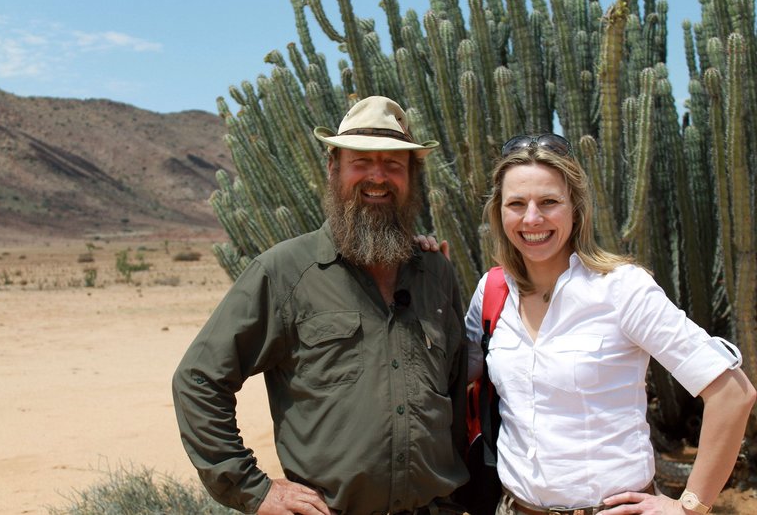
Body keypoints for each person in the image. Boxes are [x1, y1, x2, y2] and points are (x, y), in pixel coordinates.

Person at [172, 96, 470, 514]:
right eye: (361, 162)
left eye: (394, 164)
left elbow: (457, 397)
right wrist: (254, 490)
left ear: (411, 177)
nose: (378, 177)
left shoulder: (436, 275)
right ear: (333, 169)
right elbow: (199, 379)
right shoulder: (285, 272)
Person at [455, 132, 756, 515]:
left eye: (549, 201)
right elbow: (458, 370)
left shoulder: (621, 289)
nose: (532, 218)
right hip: (516, 508)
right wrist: (415, 268)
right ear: (500, 211)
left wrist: (688, 507)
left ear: (575, 208)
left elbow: (733, 394)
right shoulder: (492, 289)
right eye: (517, 203)